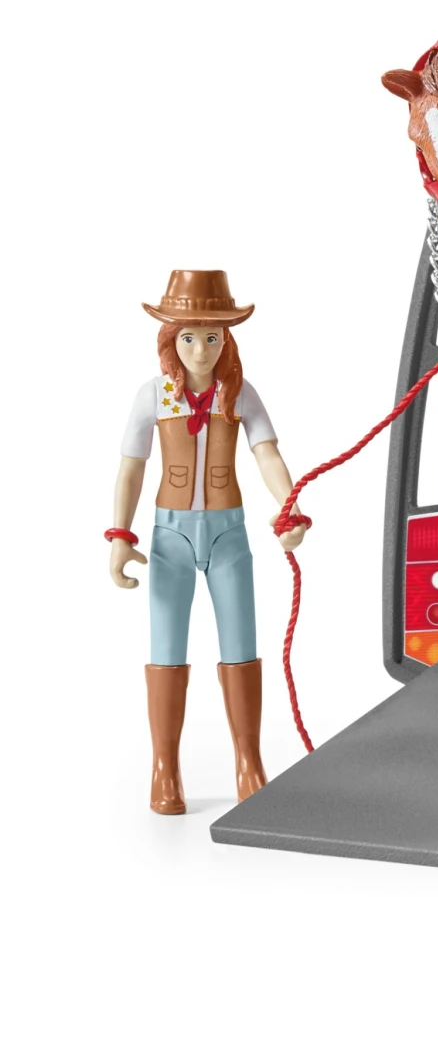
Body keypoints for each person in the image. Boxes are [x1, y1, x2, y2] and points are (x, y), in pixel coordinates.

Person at [108, 271, 308, 814]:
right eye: (189, 337)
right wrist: (120, 535)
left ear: (227, 339)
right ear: (170, 339)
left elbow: (267, 454)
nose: (201, 350)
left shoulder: (240, 394)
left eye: (213, 337)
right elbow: (131, 468)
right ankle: (164, 768)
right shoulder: (153, 396)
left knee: (240, 643)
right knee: (166, 649)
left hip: (229, 534)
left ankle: (249, 761)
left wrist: (288, 507)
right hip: (169, 536)